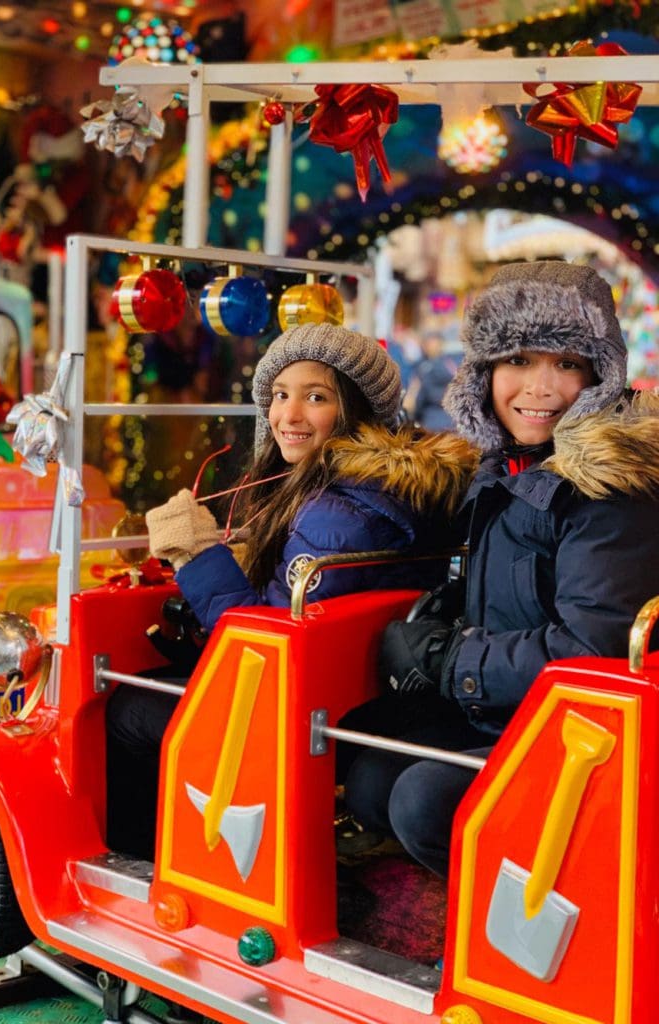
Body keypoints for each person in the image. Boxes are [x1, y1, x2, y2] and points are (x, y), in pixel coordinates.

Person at [106, 321, 479, 857]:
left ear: (357, 411)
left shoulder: (339, 512)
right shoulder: (377, 489)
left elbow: (266, 646)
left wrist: (194, 552)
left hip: (312, 714)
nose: (289, 416)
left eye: (316, 397)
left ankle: (143, 860)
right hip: (361, 702)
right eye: (280, 395)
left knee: (127, 707)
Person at [343, 260, 659, 879]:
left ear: (599, 376)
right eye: (518, 361)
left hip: (585, 738)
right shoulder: (504, 470)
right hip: (512, 714)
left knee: (425, 802)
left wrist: (451, 660)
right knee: (370, 776)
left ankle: (520, 945)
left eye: (566, 364)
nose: (539, 389)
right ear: (485, 374)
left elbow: (592, 650)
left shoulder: (611, 487)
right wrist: (438, 615)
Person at [403, 330, 460, 430]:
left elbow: (416, 401)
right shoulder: (452, 364)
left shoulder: (422, 368)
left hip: (431, 423)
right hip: (453, 422)